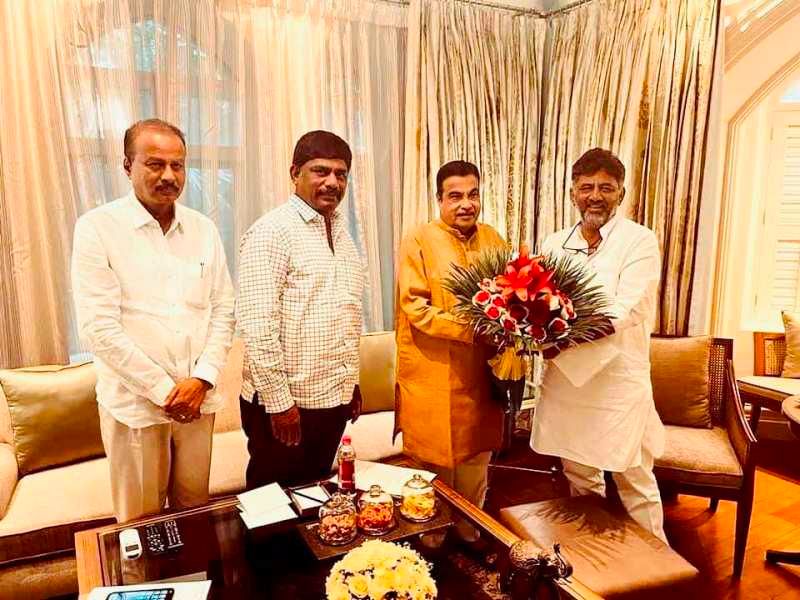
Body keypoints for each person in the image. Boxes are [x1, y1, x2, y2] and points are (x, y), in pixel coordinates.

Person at [72, 118, 235, 522]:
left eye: (177, 165)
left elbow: (223, 309)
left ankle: (196, 584)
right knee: (140, 526)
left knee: (194, 515)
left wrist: (202, 379)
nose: (168, 175)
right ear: (127, 165)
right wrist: (166, 391)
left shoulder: (204, 229)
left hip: (198, 404)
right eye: (154, 164)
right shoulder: (97, 229)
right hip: (135, 407)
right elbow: (100, 329)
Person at [531, 147, 667, 543]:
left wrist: (559, 335)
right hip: (567, 381)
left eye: (606, 188)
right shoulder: (554, 243)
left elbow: (628, 308)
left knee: (635, 477)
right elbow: (539, 303)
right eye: (587, 187)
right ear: (572, 192)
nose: (596, 196)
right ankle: (594, 557)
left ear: (621, 194)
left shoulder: (639, 240)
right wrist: (533, 332)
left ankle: (655, 568)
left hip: (618, 383)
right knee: (579, 474)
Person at [236, 130, 364, 489]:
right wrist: (279, 404)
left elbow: (345, 314)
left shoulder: (340, 231)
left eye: (340, 174)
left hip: (330, 397)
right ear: (295, 173)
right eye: (320, 171)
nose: (331, 182)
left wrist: (350, 384)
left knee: (315, 496)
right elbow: (258, 326)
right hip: (287, 404)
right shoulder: (272, 232)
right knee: (272, 506)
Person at [395, 160, 506, 544]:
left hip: (481, 375)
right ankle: (432, 545)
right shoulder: (419, 241)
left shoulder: (494, 239)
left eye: (473, 194)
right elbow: (416, 308)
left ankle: (471, 535)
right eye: (455, 196)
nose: (465, 204)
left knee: (477, 462)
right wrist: (473, 331)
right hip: (433, 376)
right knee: (434, 467)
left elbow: (509, 298)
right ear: (439, 199)